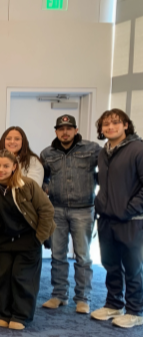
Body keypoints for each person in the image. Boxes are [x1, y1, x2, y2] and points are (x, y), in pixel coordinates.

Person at [0, 149, 55, 330]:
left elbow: (47, 210)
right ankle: (4, 313)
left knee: (22, 277)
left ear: (14, 167)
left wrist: (38, 239)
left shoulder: (27, 185)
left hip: (28, 239)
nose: (1, 169)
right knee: (3, 277)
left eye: (6, 166)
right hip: (3, 241)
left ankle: (21, 316)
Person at [40, 115, 100, 314]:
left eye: (69, 128)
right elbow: (43, 177)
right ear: (56, 131)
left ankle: (83, 298)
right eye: (61, 128)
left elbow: (107, 172)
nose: (65, 132)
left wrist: (95, 185)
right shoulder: (47, 153)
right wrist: (48, 187)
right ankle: (59, 295)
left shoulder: (91, 150)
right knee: (57, 255)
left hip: (83, 209)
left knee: (83, 256)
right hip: (56, 209)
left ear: (76, 130)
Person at [91, 109, 143, 328]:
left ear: (125, 125)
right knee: (110, 264)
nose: (110, 127)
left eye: (115, 123)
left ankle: (135, 311)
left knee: (133, 266)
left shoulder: (138, 149)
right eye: (105, 124)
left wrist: (129, 209)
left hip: (131, 220)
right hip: (106, 217)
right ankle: (113, 304)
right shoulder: (104, 152)